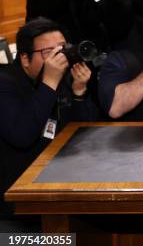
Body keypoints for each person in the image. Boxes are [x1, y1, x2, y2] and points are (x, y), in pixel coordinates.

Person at [0, 18, 96, 218]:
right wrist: (49, 82)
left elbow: (81, 139)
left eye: (62, 49)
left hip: (53, 193)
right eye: (48, 53)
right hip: (13, 208)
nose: (58, 58)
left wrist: (79, 94)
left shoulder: (61, 79)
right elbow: (22, 135)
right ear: (25, 59)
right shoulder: (5, 84)